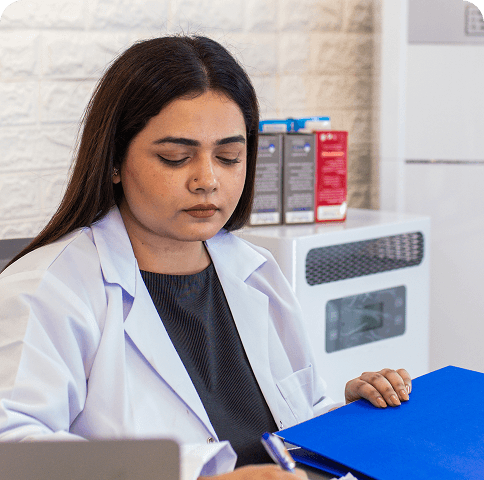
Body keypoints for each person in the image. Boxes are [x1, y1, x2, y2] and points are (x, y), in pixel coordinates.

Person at [0, 35, 411, 479]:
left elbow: (289, 424)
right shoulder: (49, 289)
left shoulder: (255, 272)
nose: (207, 180)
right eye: (176, 157)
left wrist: (343, 421)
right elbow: (14, 451)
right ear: (114, 161)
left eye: (230, 157)